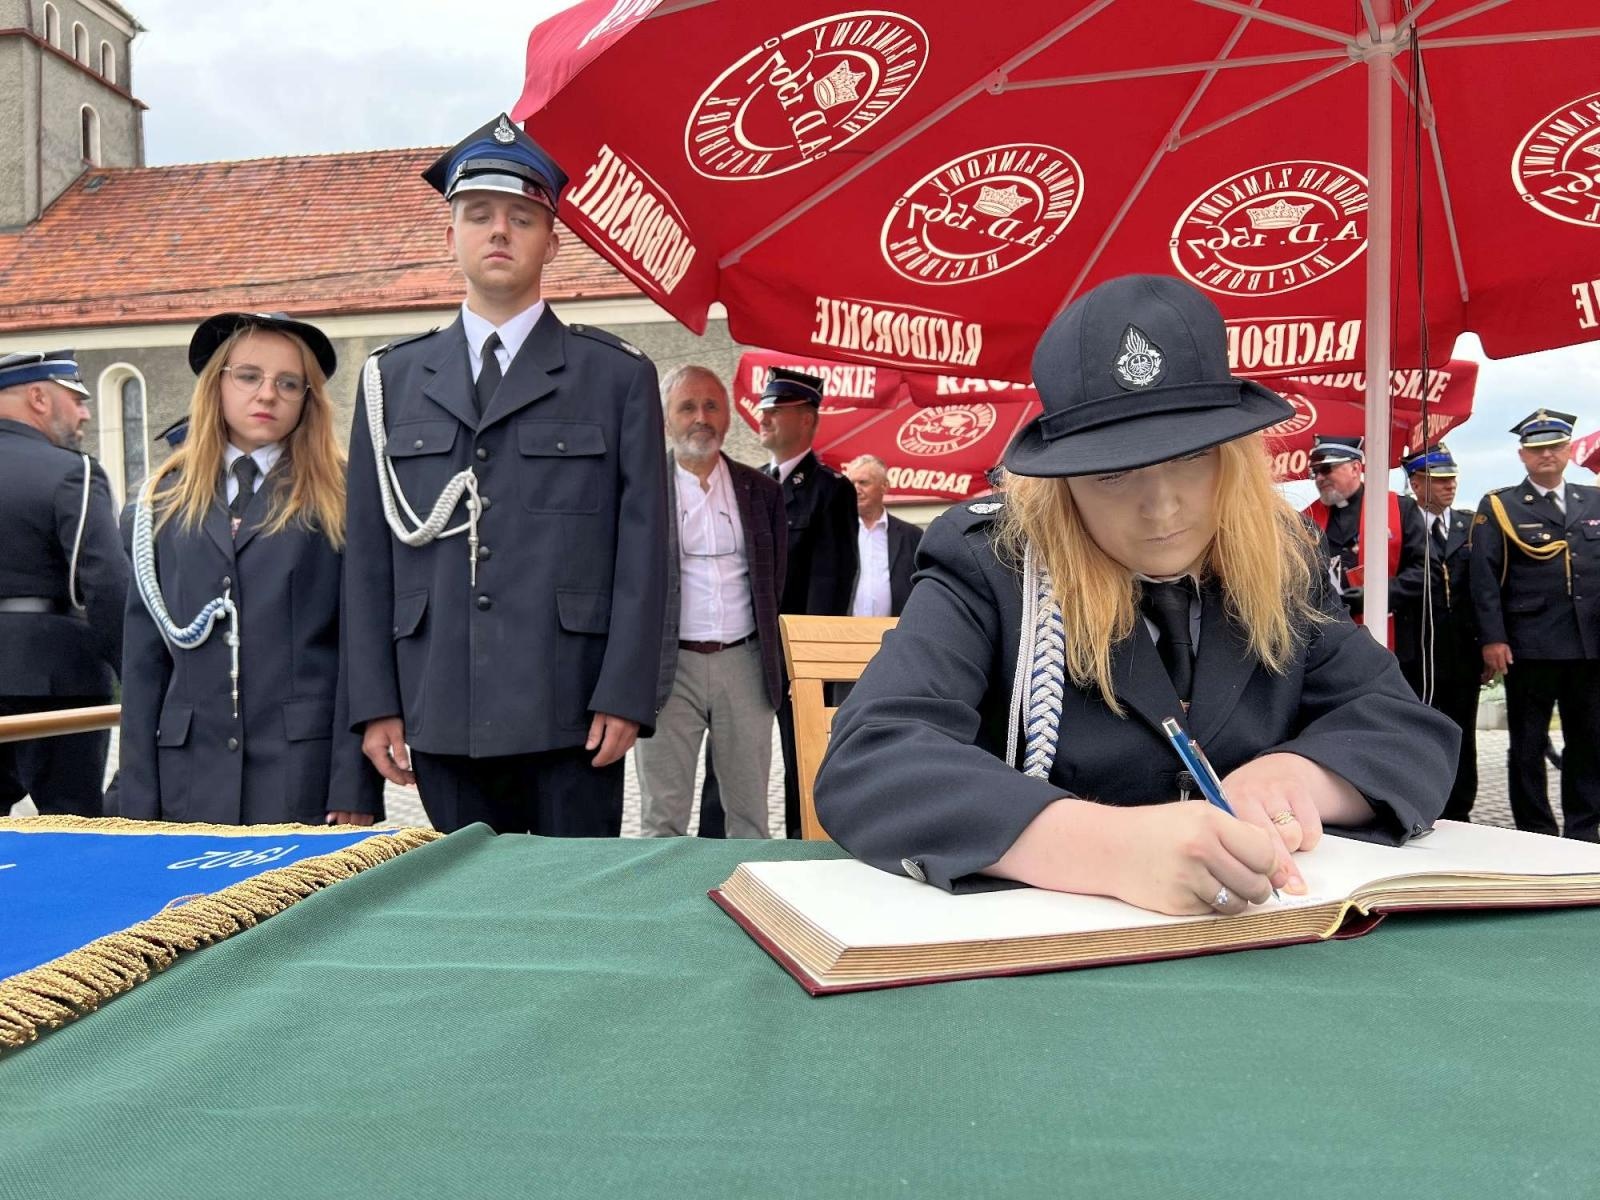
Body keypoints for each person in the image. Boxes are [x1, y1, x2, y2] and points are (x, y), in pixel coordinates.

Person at [814, 274, 1456, 915]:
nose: (1162, 507)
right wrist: (1103, 847)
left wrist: (1301, 776)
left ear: (1231, 456)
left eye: (1191, 457)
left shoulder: (1281, 557)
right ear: (1061, 483)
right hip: (1053, 946)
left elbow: (1407, 729)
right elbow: (872, 758)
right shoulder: (993, 562)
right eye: (1113, 473)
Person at [343, 114, 667, 836]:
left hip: (571, 703)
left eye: (521, 218)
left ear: (552, 242)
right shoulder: (391, 379)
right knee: (465, 895)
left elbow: (645, 553)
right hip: (440, 698)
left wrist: (625, 692)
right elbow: (367, 556)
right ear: (450, 234)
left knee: (576, 893)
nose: (499, 232)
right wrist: (375, 703)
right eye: (479, 215)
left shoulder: (616, 377)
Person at [116, 313, 382, 825]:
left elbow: (361, 649)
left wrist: (353, 783)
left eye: (289, 383)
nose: (268, 395)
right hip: (188, 778)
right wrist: (137, 806)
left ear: (307, 399)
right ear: (216, 384)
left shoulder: (343, 497)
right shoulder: (161, 502)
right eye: (248, 376)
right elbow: (144, 665)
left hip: (301, 772)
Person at [638, 365, 785, 838]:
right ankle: (661, 890)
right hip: (666, 669)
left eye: (711, 406)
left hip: (744, 664)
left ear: (727, 417)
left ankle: (750, 887)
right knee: (662, 814)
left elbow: (776, 579)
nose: (701, 417)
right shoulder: (640, 490)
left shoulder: (762, 492)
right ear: (666, 420)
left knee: (749, 814)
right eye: (687, 407)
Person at [0, 350, 127, 817]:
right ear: (38, 397)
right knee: (72, 825)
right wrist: (138, 674)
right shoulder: (74, 471)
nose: (85, 413)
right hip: (58, 680)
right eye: (75, 399)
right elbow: (106, 584)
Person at [1470, 410, 1600, 840]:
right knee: (1527, 744)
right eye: (1537, 448)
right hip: (1530, 645)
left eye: (1555, 446)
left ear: (1568, 450)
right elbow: (1484, 579)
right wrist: (1493, 638)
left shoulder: (1593, 500)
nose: (1547, 454)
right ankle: (1535, 831)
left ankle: (1584, 829)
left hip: (1589, 645)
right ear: (1522, 455)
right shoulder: (1501, 505)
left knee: (1589, 740)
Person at [1395, 444, 1481, 820]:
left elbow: (1484, 589)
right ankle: (1421, 803)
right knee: (1417, 731)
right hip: (1413, 649)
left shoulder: (1472, 525)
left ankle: (1460, 809)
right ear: (1415, 483)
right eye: (1439, 480)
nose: (1450, 486)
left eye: (1452, 479)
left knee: (1462, 732)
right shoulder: (1402, 525)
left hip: (1462, 651)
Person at [1302, 434, 1427, 644]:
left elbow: (1426, 571)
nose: (1319, 478)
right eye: (1315, 471)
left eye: (1326, 469)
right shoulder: (1306, 520)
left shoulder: (1400, 508)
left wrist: (1378, 595)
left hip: (1394, 632)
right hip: (1331, 637)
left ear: (1355, 468)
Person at [843, 454, 922, 618]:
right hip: (844, 630)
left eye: (863, 482)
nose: (855, 489)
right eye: (851, 484)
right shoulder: (835, 533)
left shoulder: (912, 536)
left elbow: (922, 586)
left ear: (884, 486)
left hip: (896, 629)